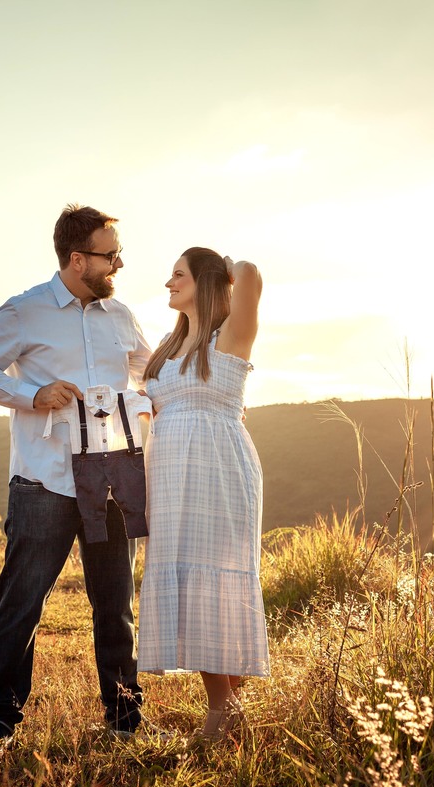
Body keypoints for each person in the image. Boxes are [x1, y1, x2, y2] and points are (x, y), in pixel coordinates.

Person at [0, 204, 153, 759]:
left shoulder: (122, 316)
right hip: (43, 482)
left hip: (111, 480)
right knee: (21, 606)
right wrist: (32, 396)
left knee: (115, 606)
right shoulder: (25, 310)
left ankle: (124, 724)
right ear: (76, 259)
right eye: (109, 254)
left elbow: (150, 371)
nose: (118, 262)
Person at [136, 247, 267, 739]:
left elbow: (251, 276)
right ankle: (231, 713)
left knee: (215, 582)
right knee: (191, 584)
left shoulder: (229, 338)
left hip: (218, 471)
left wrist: (224, 266)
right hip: (171, 478)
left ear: (206, 282)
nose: (168, 283)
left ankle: (222, 712)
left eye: (179, 275)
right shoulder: (168, 351)